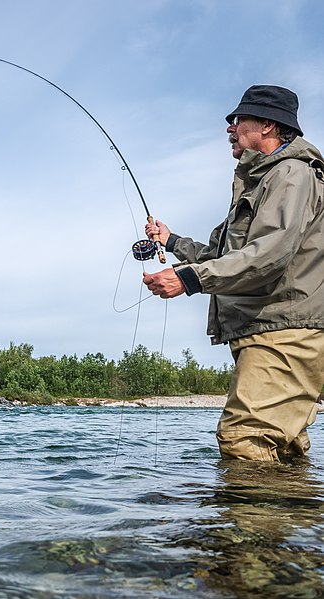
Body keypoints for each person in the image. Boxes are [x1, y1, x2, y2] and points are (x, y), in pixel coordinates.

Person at [143, 85, 324, 461]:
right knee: (282, 446)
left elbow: (269, 254)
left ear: (269, 126)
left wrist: (189, 279)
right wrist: (172, 241)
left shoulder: (291, 174)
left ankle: (250, 521)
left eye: (239, 119)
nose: (230, 128)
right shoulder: (266, 180)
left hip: (284, 332)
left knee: (245, 440)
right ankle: (294, 514)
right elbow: (228, 256)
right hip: (269, 331)